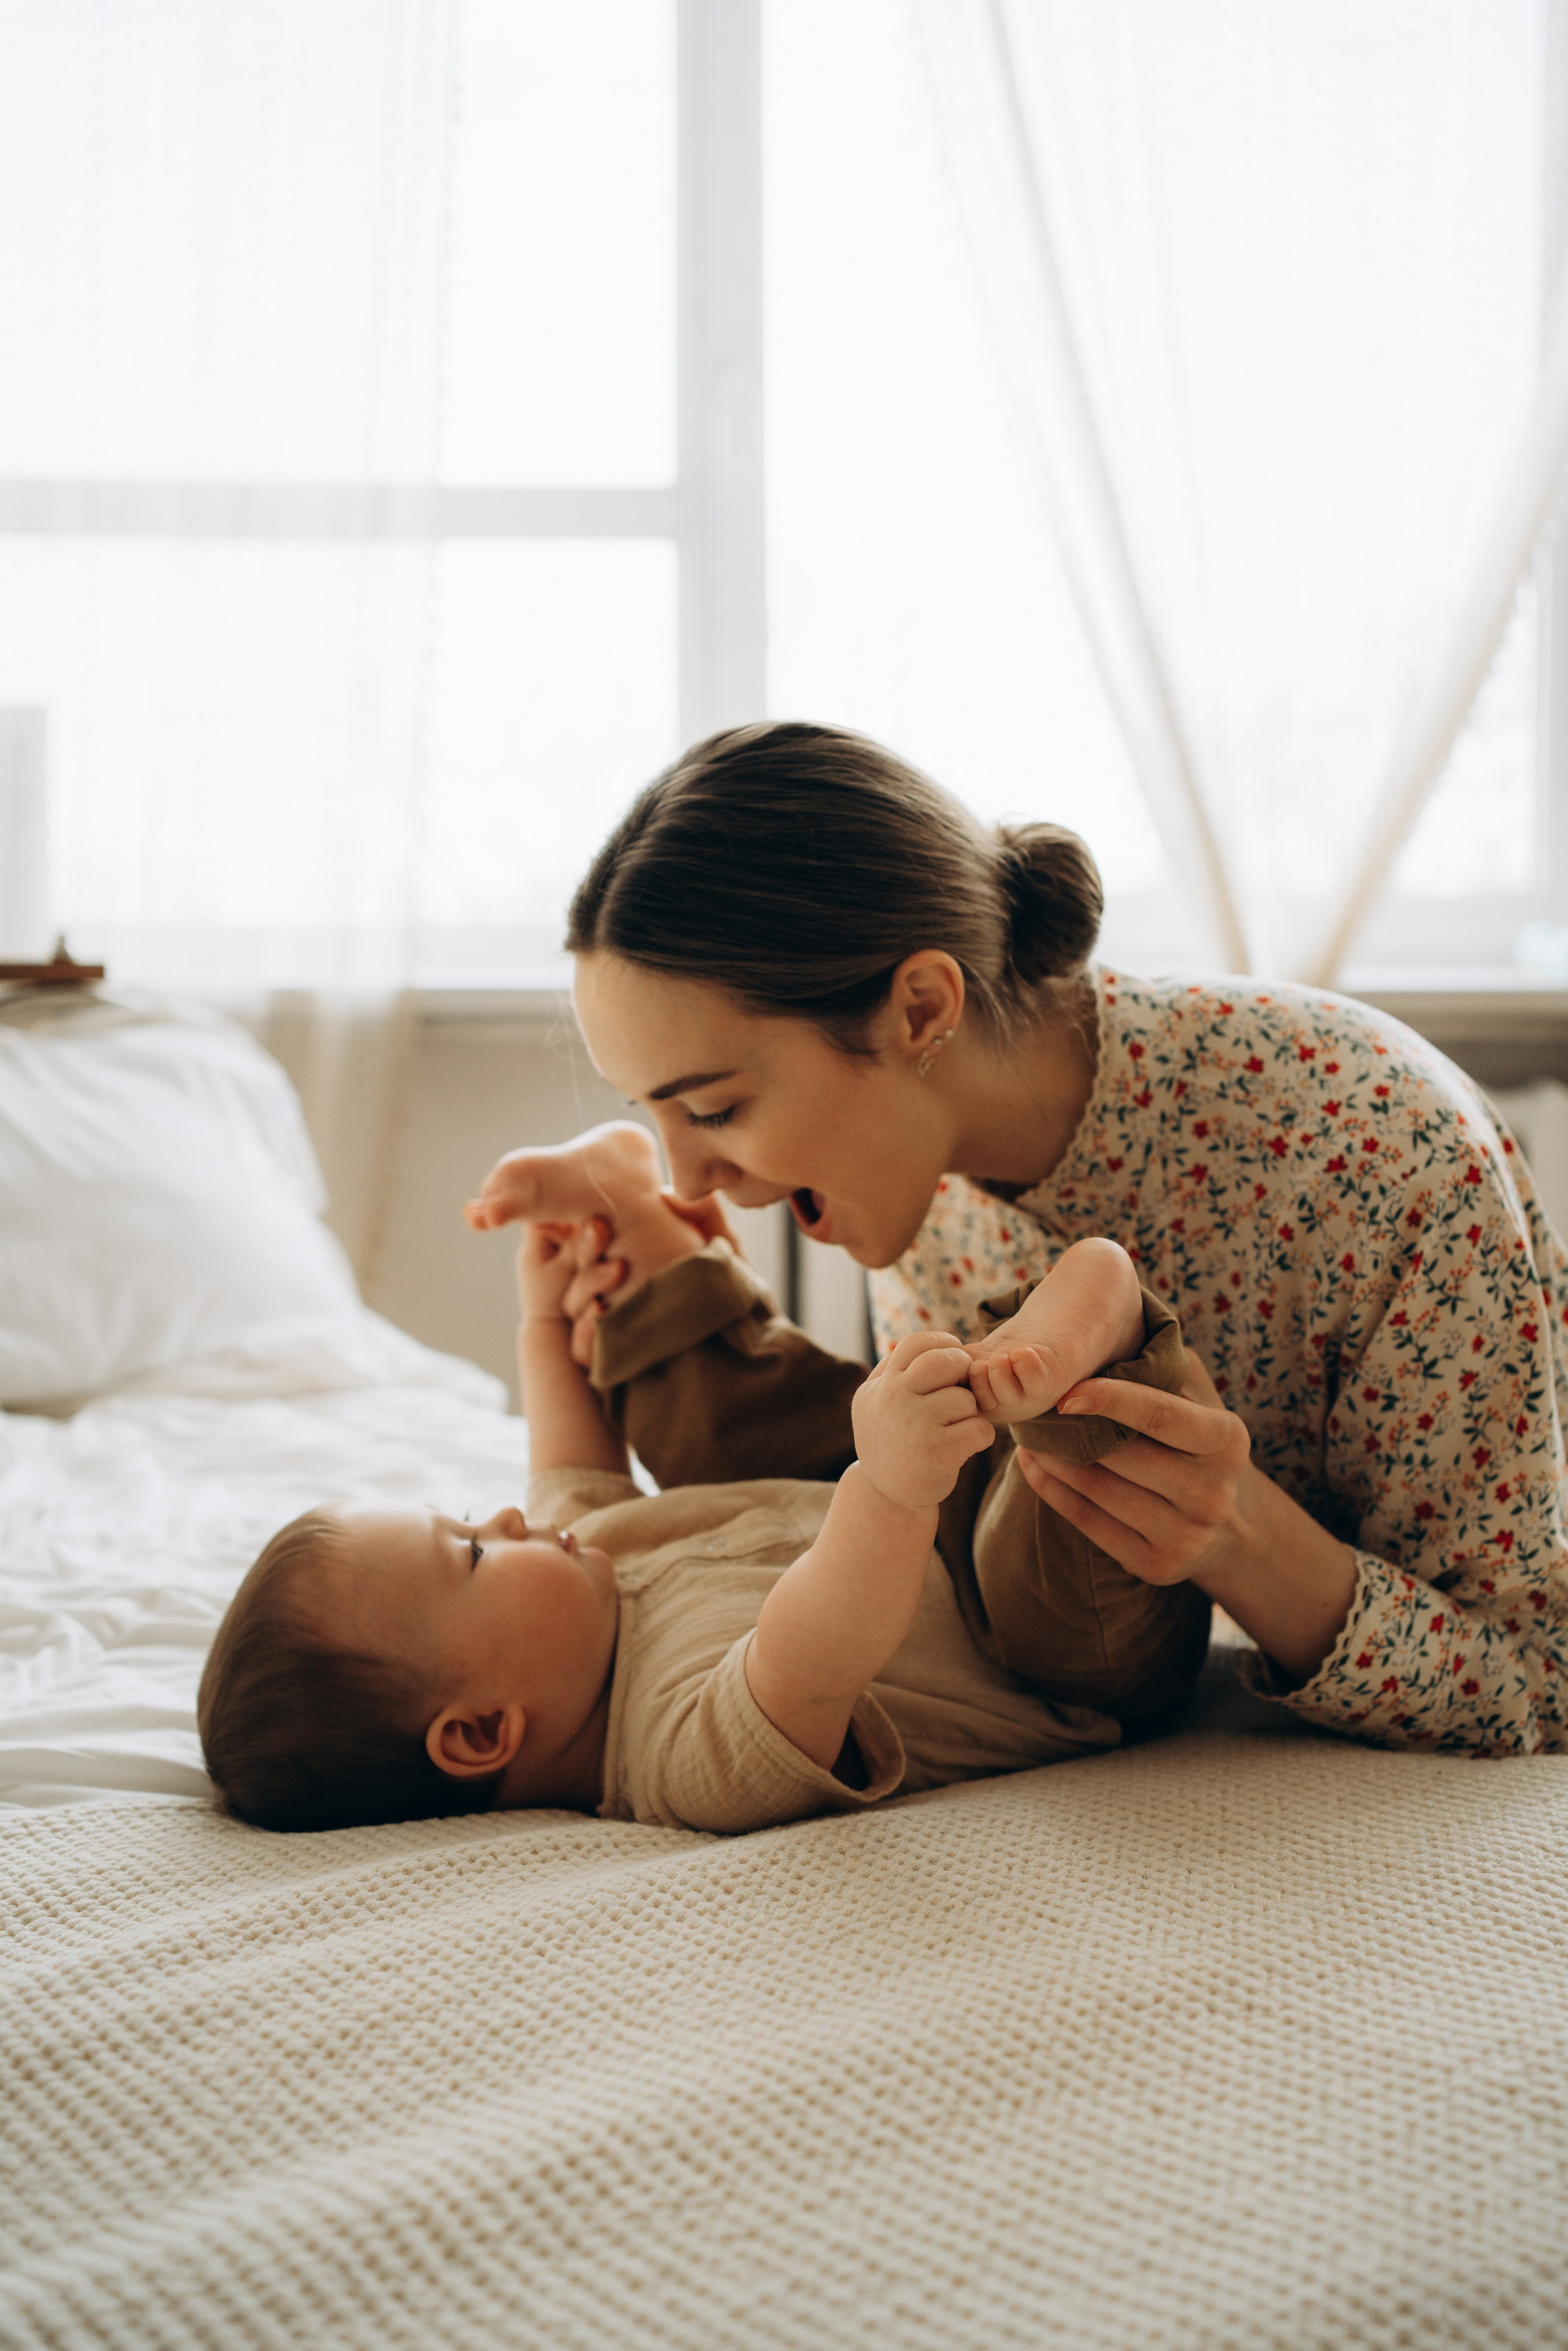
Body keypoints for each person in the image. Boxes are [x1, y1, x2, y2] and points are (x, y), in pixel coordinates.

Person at [469, 720, 1568, 1757]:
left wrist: (1242, 1535)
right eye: (652, 1116)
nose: (688, 1177)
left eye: (712, 1109)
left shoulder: (1375, 1149)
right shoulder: (924, 1184)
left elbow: (1534, 1678)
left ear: (919, 1010)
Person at [197, 1124, 1206, 1833]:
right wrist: (891, 1487)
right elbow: (818, 1645)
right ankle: (1088, 1337)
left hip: (915, 1485)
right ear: (481, 1731)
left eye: (467, 1518)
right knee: (1079, 1485)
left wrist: (546, 1315)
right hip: (1050, 1647)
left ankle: (628, 1211)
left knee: (696, 1411)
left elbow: (567, 1455)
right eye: (468, 1553)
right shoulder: (684, 1757)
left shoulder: (589, 1566)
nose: (502, 1516)